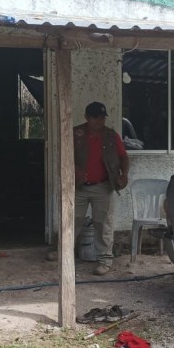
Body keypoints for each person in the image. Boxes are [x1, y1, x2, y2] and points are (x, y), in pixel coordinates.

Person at [47, 101, 129, 275]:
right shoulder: (75, 134)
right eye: (95, 118)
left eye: (102, 118)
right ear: (86, 117)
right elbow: (63, 155)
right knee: (70, 221)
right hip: (79, 187)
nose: (100, 121)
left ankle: (105, 260)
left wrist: (124, 175)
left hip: (103, 186)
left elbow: (123, 157)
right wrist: (73, 170)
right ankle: (62, 253)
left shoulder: (111, 135)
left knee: (103, 224)